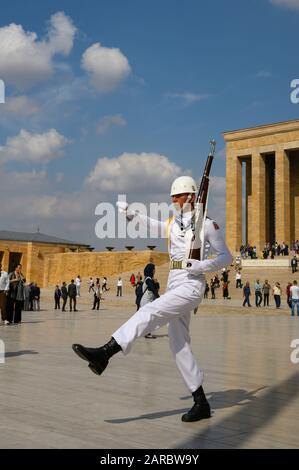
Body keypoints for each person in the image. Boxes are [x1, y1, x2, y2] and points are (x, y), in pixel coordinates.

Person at [72, 175, 232, 423]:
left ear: (190, 196)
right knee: (178, 344)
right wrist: (130, 213)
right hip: (175, 283)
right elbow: (151, 224)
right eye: (172, 197)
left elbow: (226, 258)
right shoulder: (173, 223)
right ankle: (201, 402)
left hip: (192, 285)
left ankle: (106, 352)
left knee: (150, 311)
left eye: (177, 197)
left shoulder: (207, 225)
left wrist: (202, 265)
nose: (173, 201)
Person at [139, 263, 160, 339]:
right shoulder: (148, 279)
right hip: (146, 301)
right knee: (148, 317)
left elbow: (156, 288)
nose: (155, 271)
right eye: (154, 269)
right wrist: (159, 297)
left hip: (148, 301)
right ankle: (147, 333)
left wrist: (156, 283)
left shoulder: (149, 279)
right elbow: (153, 289)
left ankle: (146, 332)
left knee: (147, 317)